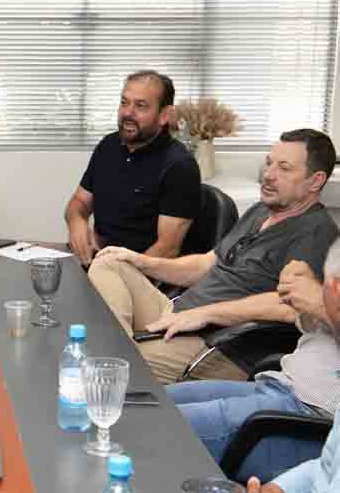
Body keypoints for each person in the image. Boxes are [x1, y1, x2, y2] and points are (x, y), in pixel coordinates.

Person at [88, 129, 339, 384]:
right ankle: (116, 352)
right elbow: (207, 263)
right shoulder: (261, 210)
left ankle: (113, 359)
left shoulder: (316, 233)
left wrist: (204, 314)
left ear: (315, 181)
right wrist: (143, 262)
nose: (269, 175)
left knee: (111, 364)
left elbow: (289, 306)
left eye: (284, 168)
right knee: (110, 261)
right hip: (178, 313)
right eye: (268, 163)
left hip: (216, 342)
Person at [171, 240, 340, 486]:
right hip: (279, 384)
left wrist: (320, 302)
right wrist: (304, 294)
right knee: (147, 403)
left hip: (307, 411)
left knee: (150, 427)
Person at [65, 70, 201, 265]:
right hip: (98, 261)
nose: (128, 112)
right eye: (124, 102)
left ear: (165, 115)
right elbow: (80, 201)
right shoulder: (108, 146)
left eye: (141, 106)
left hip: (143, 275)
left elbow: (167, 249)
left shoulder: (180, 166)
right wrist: (76, 223)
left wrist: (113, 273)